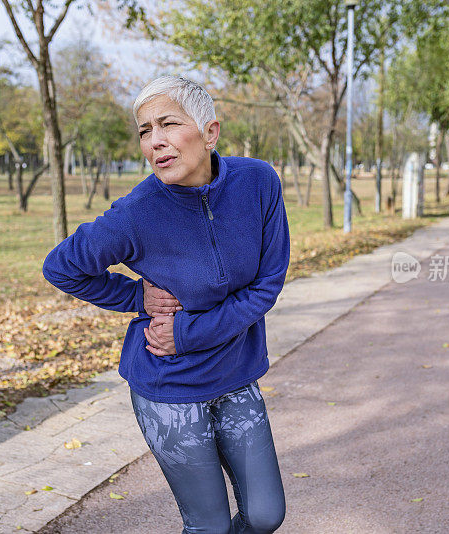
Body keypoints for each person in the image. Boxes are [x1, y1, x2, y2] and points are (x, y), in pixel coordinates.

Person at [42, 75, 289, 533]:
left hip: (236, 374)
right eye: (144, 130)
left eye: (168, 124)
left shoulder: (258, 183)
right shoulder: (137, 212)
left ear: (210, 132)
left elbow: (266, 286)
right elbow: (61, 267)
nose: (156, 142)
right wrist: (135, 295)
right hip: (169, 387)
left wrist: (186, 334)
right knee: (209, 526)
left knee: (265, 515)